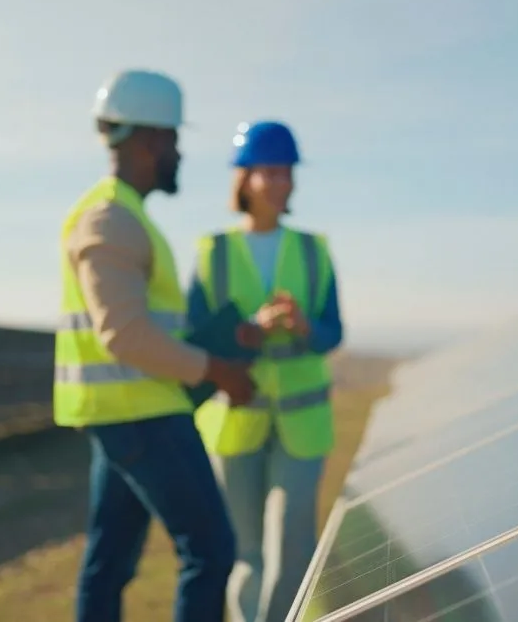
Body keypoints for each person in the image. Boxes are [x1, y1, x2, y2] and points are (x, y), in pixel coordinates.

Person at [53, 69, 258, 622]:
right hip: (145, 417)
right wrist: (218, 369)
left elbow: (144, 328)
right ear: (150, 141)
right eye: (174, 141)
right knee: (210, 553)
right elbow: (124, 335)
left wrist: (222, 342)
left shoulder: (120, 214)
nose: (179, 154)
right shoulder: (112, 219)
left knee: (109, 565)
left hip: (124, 417)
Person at [185, 120, 344, 622]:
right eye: (268, 172)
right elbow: (196, 338)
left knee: (294, 546)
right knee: (246, 553)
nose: (279, 182)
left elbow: (333, 331)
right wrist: (250, 329)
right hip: (237, 420)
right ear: (245, 178)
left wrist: (303, 327)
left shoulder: (314, 249)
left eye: (286, 172)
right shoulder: (214, 252)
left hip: (303, 422)